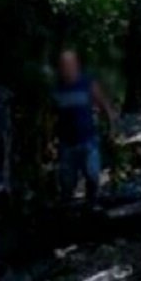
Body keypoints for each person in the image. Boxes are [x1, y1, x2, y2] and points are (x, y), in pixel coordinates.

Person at [52, 50, 116, 204]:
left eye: (70, 65)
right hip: (67, 142)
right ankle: (68, 209)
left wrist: (112, 128)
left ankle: (92, 203)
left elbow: (104, 105)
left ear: (76, 66)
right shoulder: (57, 88)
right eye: (64, 66)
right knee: (67, 182)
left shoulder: (87, 83)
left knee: (92, 174)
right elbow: (51, 116)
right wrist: (49, 141)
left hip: (88, 139)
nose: (67, 69)